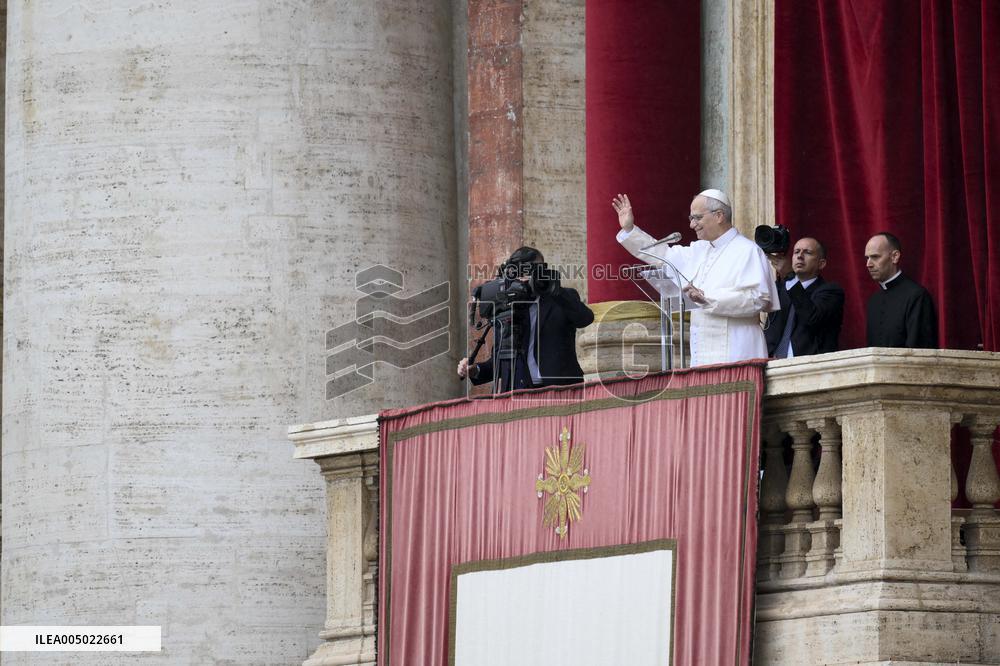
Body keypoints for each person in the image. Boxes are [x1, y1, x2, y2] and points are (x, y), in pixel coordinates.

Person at [613, 189, 779, 366]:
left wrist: (708, 299)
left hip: (738, 347)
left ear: (719, 216)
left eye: (697, 218)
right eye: (691, 218)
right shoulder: (699, 249)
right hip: (702, 350)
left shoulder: (747, 250)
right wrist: (630, 229)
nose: (692, 225)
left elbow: (758, 299)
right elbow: (663, 255)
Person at [457, 246, 594, 392]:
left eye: (535, 269)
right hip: (520, 394)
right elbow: (500, 362)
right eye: (522, 271)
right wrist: (474, 369)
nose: (527, 276)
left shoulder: (561, 298)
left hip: (562, 391)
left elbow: (585, 318)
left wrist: (553, 289)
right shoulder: (508, 308)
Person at [765, 237, 844, 358]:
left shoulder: (831, 291)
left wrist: (789, 276)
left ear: (821, 263)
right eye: (796, 252)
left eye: (807, 252)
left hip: (809, 368)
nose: (800, 256)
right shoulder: (780, 288)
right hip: (772, 364)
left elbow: (812, 316)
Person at [864, 232, 938, 348]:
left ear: (895, 257)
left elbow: (920, 350)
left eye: (875, 257)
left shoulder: (916, 296)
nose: (868, 264)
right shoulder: (873, 301)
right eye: (867, 258)